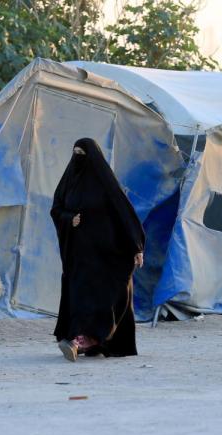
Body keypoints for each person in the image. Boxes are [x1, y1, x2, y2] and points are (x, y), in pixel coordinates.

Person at [50, 137, 145, 362]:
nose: (77, 158)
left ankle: (85, 341)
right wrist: (69, 218)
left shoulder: (106, 185)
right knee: (82, 298)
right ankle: (81, 339)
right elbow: (56, 209)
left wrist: (136, 247)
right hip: (80, 255)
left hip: (109, 254)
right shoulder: (68, 183)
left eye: (82, 154)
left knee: (106, 299)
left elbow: (125, 215)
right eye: (75, 153)